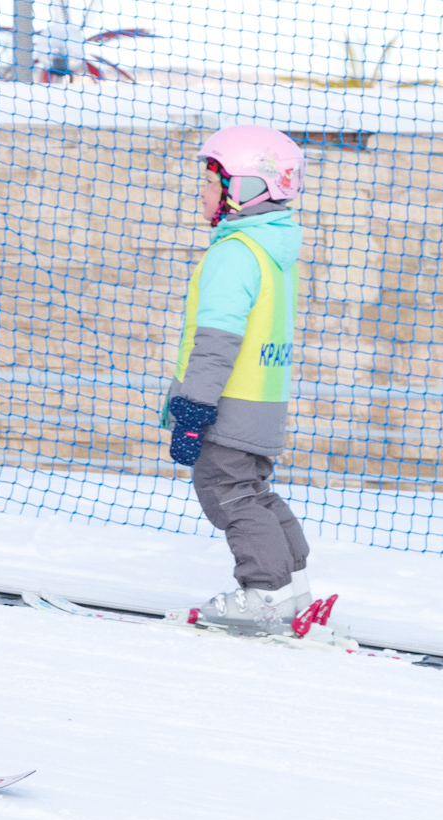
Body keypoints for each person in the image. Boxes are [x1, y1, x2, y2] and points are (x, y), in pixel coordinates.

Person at [163, 125, 323, 633]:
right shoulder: (272, 249)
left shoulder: (234, 252)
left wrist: (193, 408)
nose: (202, 192)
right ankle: (293, 587)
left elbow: (218, 340)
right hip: (264, 400)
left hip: (228, 401)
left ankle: (264, 593)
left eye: (212, 182)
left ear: (247, 189)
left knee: (227, 493)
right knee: (253, 493)